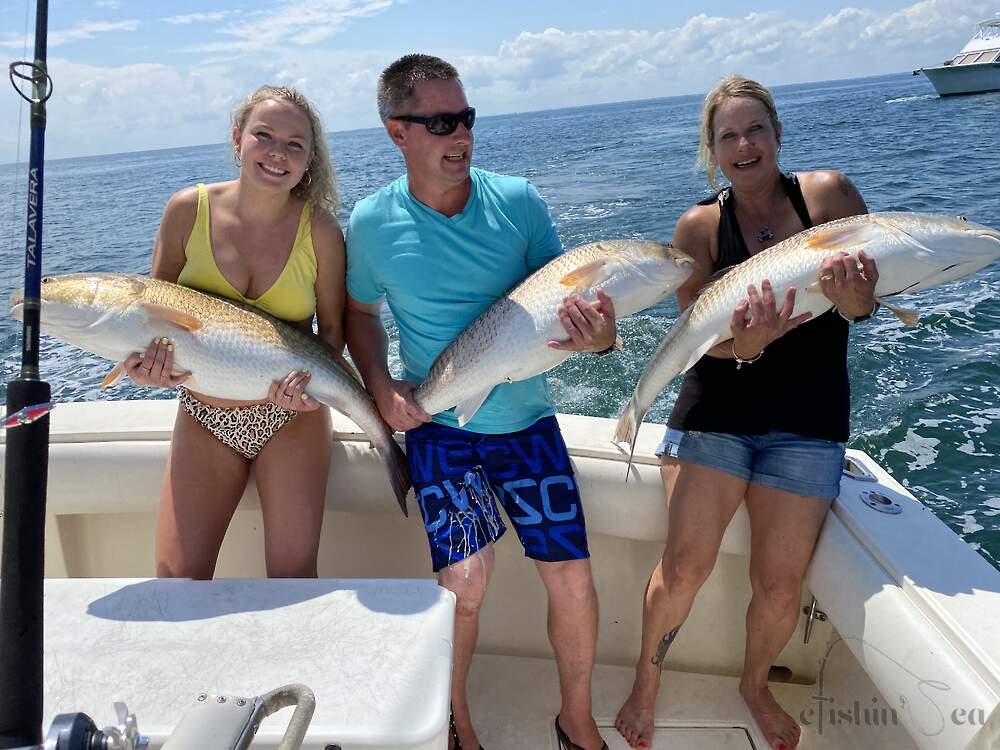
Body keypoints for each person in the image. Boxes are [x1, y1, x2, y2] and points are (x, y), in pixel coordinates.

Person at [345, 54, 614, 750]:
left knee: (575, 581)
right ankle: (456, 719)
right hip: (439, 429)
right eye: (440, 122)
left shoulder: (519, 201)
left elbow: (569, 297)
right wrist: (380, 386)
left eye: (465, 117)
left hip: (525, 421)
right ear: (396, 133)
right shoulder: (372, 223)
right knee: (465, 576)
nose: (460, 133)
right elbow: (359, 314)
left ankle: (575, 719)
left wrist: (600, 337)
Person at [614, 75, 878, 750]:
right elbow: (696, 337)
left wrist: (859, 303)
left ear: (778, 133)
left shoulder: (829, 196)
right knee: (685, 569)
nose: (744, 144)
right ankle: (647, 681)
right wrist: (747, 347)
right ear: (712, 150)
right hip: (715, 418)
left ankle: (754, 684)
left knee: (779, 583)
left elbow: (871, 295)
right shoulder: (700, 226)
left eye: (755, 129)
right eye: (727, 135)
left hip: (809, 423)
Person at [127, 85, 346, 580]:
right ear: (237, 139)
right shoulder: (187, 211)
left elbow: (333, 330)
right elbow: (151, 316)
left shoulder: (322, 233)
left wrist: (306, 393)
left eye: (296, 144)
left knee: (291, 582)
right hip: (205, 412)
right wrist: (146, 370)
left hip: (290, 420)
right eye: (264, 136)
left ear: (310, 159)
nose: (277, 153)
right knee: (176, 580)